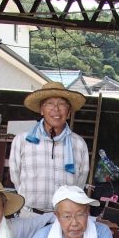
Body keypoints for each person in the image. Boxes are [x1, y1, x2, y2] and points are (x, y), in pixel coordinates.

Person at [9, 82, 89, 213]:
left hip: (64, 217)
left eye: (62, 104)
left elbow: (80, 183)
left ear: (68, 112)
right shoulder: (22, 140)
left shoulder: (79, 144)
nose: (56, 109)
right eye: (50, 103)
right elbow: (16, 177)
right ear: (41, 109)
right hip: (30, 215)